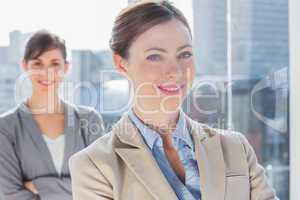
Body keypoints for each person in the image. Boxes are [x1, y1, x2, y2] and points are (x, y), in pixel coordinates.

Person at [69, 1, 278, 200]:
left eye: (184, 54)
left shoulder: (235, 147)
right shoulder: (94, 166)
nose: (175, 71)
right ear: (121, 63)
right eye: (155, 56)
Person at [0, 30, 104, 200]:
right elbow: (10, 195)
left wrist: (40, 186)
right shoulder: (5, 128)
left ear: (66, 67)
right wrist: (74, 188)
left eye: (55, 64)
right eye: (37, 64)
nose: (46, 72)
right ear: (25, 66)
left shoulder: (89, 120)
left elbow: (100, 187)